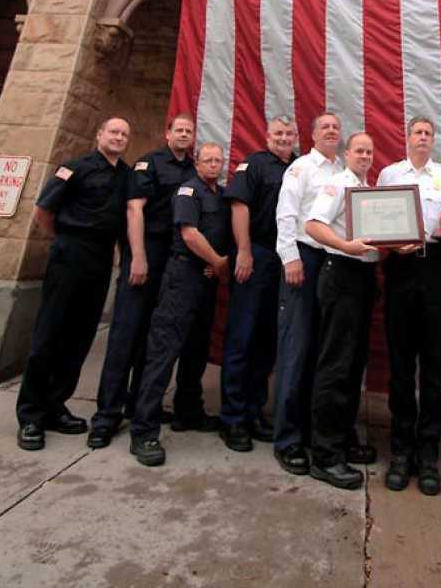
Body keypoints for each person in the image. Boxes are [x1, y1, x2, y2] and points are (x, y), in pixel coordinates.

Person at [16, 117, 132, 451]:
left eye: (124, 134)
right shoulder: (74, 167)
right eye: (113, 132)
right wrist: (66, 240)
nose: (119, 138)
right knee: (49, 335)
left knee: (79, 337)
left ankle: (55, 405)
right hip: (70, 254)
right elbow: (43, 211)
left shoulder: (125, 175)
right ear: (99, 135)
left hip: (99, 260)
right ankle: (31, 416)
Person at [87, 114, 197, 448]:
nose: (183, 134)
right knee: (125, 335)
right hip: (146, 249)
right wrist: (136, 257)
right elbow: (135, 210)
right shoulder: (148, 163)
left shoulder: (192, 171)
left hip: (174, 258)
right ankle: (106, 416)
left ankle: (138, 404)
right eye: (178, 130)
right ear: (168, 134)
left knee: (154, 337)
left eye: (188, 131)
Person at [129, 143, 231, 467]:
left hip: (206, 278)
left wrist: (214, 265)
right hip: (183, 276)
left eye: (218, 160)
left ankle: (188, 411)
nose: (214, 164)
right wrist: (217, 261)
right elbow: (189, 235)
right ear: (197, 163)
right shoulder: (189, 190)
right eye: (208, 159)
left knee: (196, 349)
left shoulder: (221, 193)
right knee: (164, 350)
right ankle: (143, 430)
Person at [377, 116, 441, 496]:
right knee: (400, 363)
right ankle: (400, 452)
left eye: (429, 133)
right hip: (400, 267)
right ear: (407, 137)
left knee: (431, 365)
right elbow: (377, 220)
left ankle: (428, 454)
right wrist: (391, 244)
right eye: (418, 132)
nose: (423, 138)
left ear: (434, 140)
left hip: (438, 267)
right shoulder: (389, 175)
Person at [219, 116, 298, 453]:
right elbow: (239, 206)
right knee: (242, 337)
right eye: (278, 133)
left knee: (267, 341)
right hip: (258, 255)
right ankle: (233, 419)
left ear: (296, 137)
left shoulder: (299, 166)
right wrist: (244, 251)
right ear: (268, 136)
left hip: (286, 258)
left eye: (289, 133)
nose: (283, 138)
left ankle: (254, 412)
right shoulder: (253, 163)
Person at [305, 132, 379, 490]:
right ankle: (325, 455)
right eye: (358, 150)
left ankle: (343, 438)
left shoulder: (368, 189)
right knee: (335, 363)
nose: (364, 155)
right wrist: (345, 246)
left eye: (369, 151)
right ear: (347, 154)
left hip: (364, 277)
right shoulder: (338, 184)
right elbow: (313, 225)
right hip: (341, 274)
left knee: (352, 364)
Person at [272, 112, 344, 475]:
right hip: (304, 259)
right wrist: (290, 258)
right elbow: (286, 215)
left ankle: (320, 435)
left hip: (334, 263)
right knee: (296, 350)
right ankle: (287, 439)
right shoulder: (302, 168)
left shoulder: (344, 172)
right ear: (313, 134)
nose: (331, 131)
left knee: (323, 353)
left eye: (336, 127)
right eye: (325, 127)